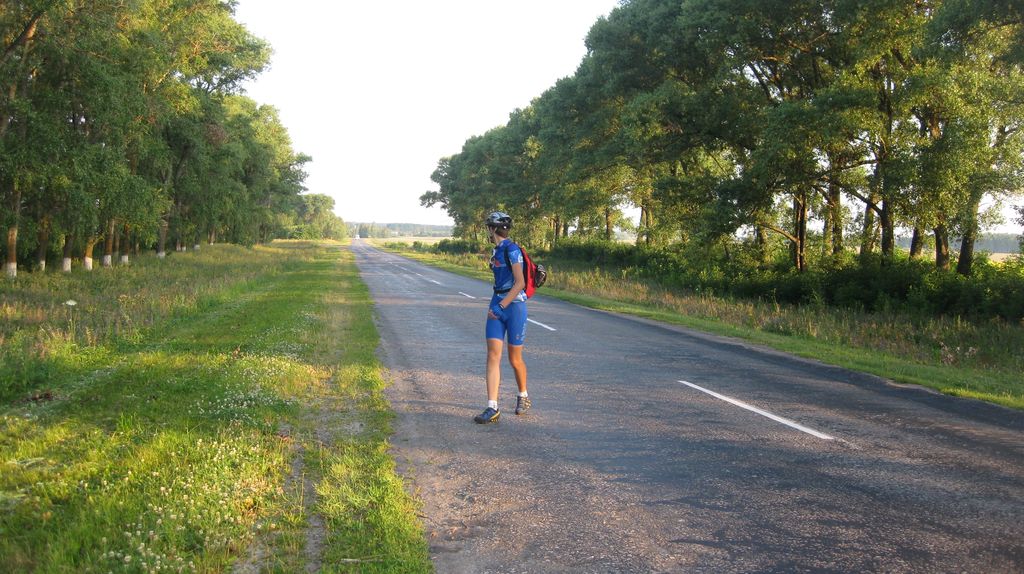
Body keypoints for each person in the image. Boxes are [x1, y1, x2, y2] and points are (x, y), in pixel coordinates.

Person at [474, 211, 530, 424]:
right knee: (492, 355)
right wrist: (497, 306)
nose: (487, 231)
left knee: (514, 359)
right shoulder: (496, 250)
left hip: (513, 307)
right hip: (497, 303)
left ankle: (523, 395)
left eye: (488, 228)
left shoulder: (512, 249)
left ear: (492, 229)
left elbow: (520, 283)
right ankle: (492, 407)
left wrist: (501, 306)